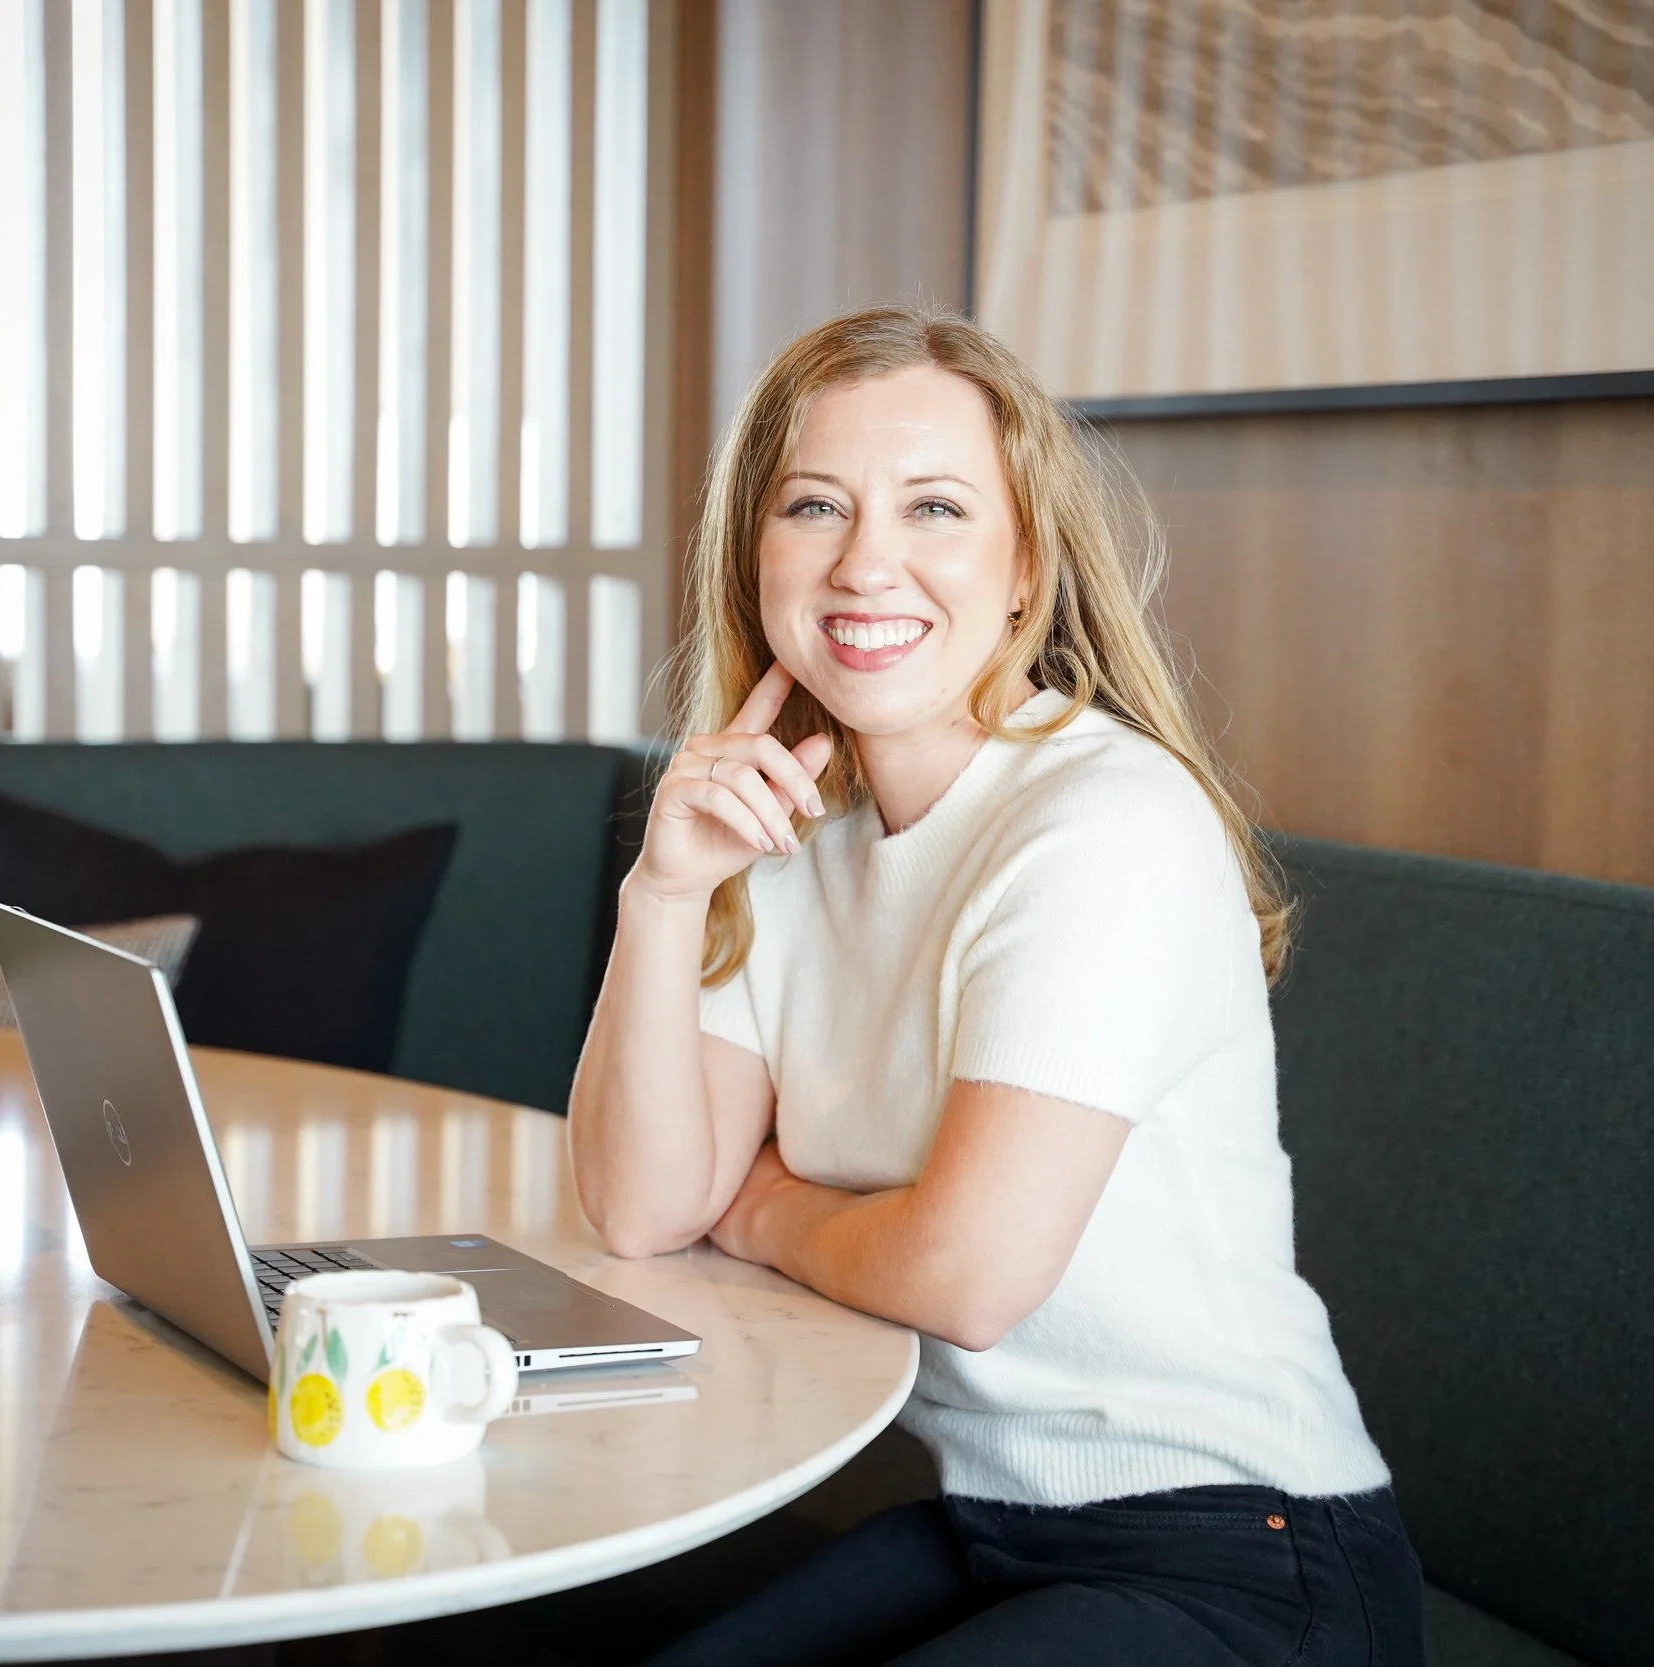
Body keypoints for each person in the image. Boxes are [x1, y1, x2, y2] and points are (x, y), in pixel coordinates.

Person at [569, 306, 1425, 1666]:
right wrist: (664, 894)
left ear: (1025, 568)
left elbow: (967, 1273)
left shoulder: (1102, 822)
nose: (868, 563)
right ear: (757, 552)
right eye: (815, 507)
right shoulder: (795, 833)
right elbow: (645, 1202)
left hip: (1248, 1552)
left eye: (935, 508)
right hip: (997, 1521)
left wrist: (778, 1206)